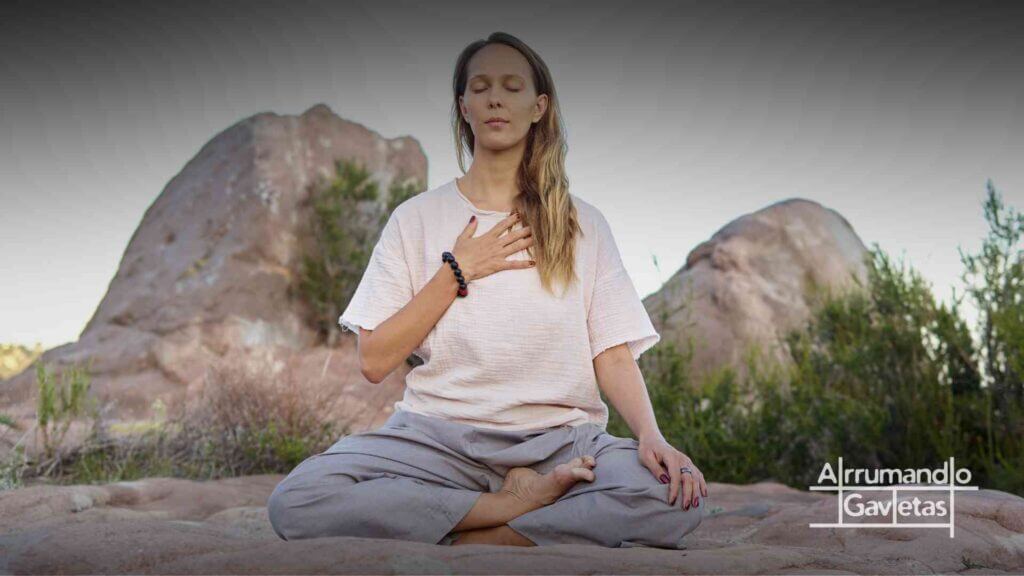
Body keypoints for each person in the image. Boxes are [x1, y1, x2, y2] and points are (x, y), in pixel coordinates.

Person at [267, 31, 708, 549]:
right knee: (299, 500)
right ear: (464, 106)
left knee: (671, 499)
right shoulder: (416, 219)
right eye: (480, 87)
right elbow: (374, 358)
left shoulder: (582, 224)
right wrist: (457, 272)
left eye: (511, 86)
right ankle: (509, 508)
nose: (495, 98)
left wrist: (652, 437)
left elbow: (610, 354)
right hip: (435, 439)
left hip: (560, 443)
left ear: (538, 106)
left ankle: (484, 536)